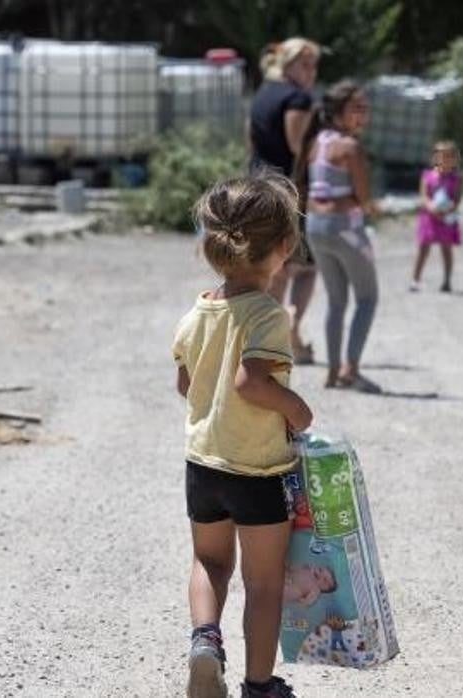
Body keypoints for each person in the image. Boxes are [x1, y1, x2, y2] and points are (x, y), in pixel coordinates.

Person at [173, 174, 313, 698]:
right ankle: (259, 685)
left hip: (203, 465)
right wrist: (298, 410)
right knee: (263, 582)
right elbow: (251, 382)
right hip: (257, 471)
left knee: (209, 562)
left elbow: (186, 384)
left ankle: (206, 642)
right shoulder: (268, 315)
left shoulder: (199, 310)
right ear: (282, 248)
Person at [291, 81, 382, 393]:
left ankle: (331, 372)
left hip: (315, 228)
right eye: (357, 108)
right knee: (367, 298)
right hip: (347, 229)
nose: (364, 115)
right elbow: (364, 197)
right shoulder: (350, 147)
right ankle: (350, 369)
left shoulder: (317, 142)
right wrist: (371, 206)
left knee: (336, 301)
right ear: (339, 112)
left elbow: (314, 190)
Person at [248, 37, 321, 364]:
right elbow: (298, 147)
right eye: (306, 64)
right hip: (289, 189)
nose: (312, 71)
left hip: (258, 184)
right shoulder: (298, 98)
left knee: (272, 264)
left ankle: (268, 337)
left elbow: (249, 139)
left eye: (314, 64)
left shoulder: (262, 93)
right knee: (304, 266)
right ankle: (288, 329)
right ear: (288, 63)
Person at [412, 141, 463, 293]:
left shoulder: (456, 179)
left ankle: (447, 280)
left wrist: (447, 209)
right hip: (429, 217)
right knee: (423, 248)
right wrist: (431, 208)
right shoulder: (427, 176)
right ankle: (415, 279)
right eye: (441, 156)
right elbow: (424, 196)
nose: (444, 159)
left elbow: (457, 199)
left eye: (449, 156)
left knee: (446, 249)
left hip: (446, 219)